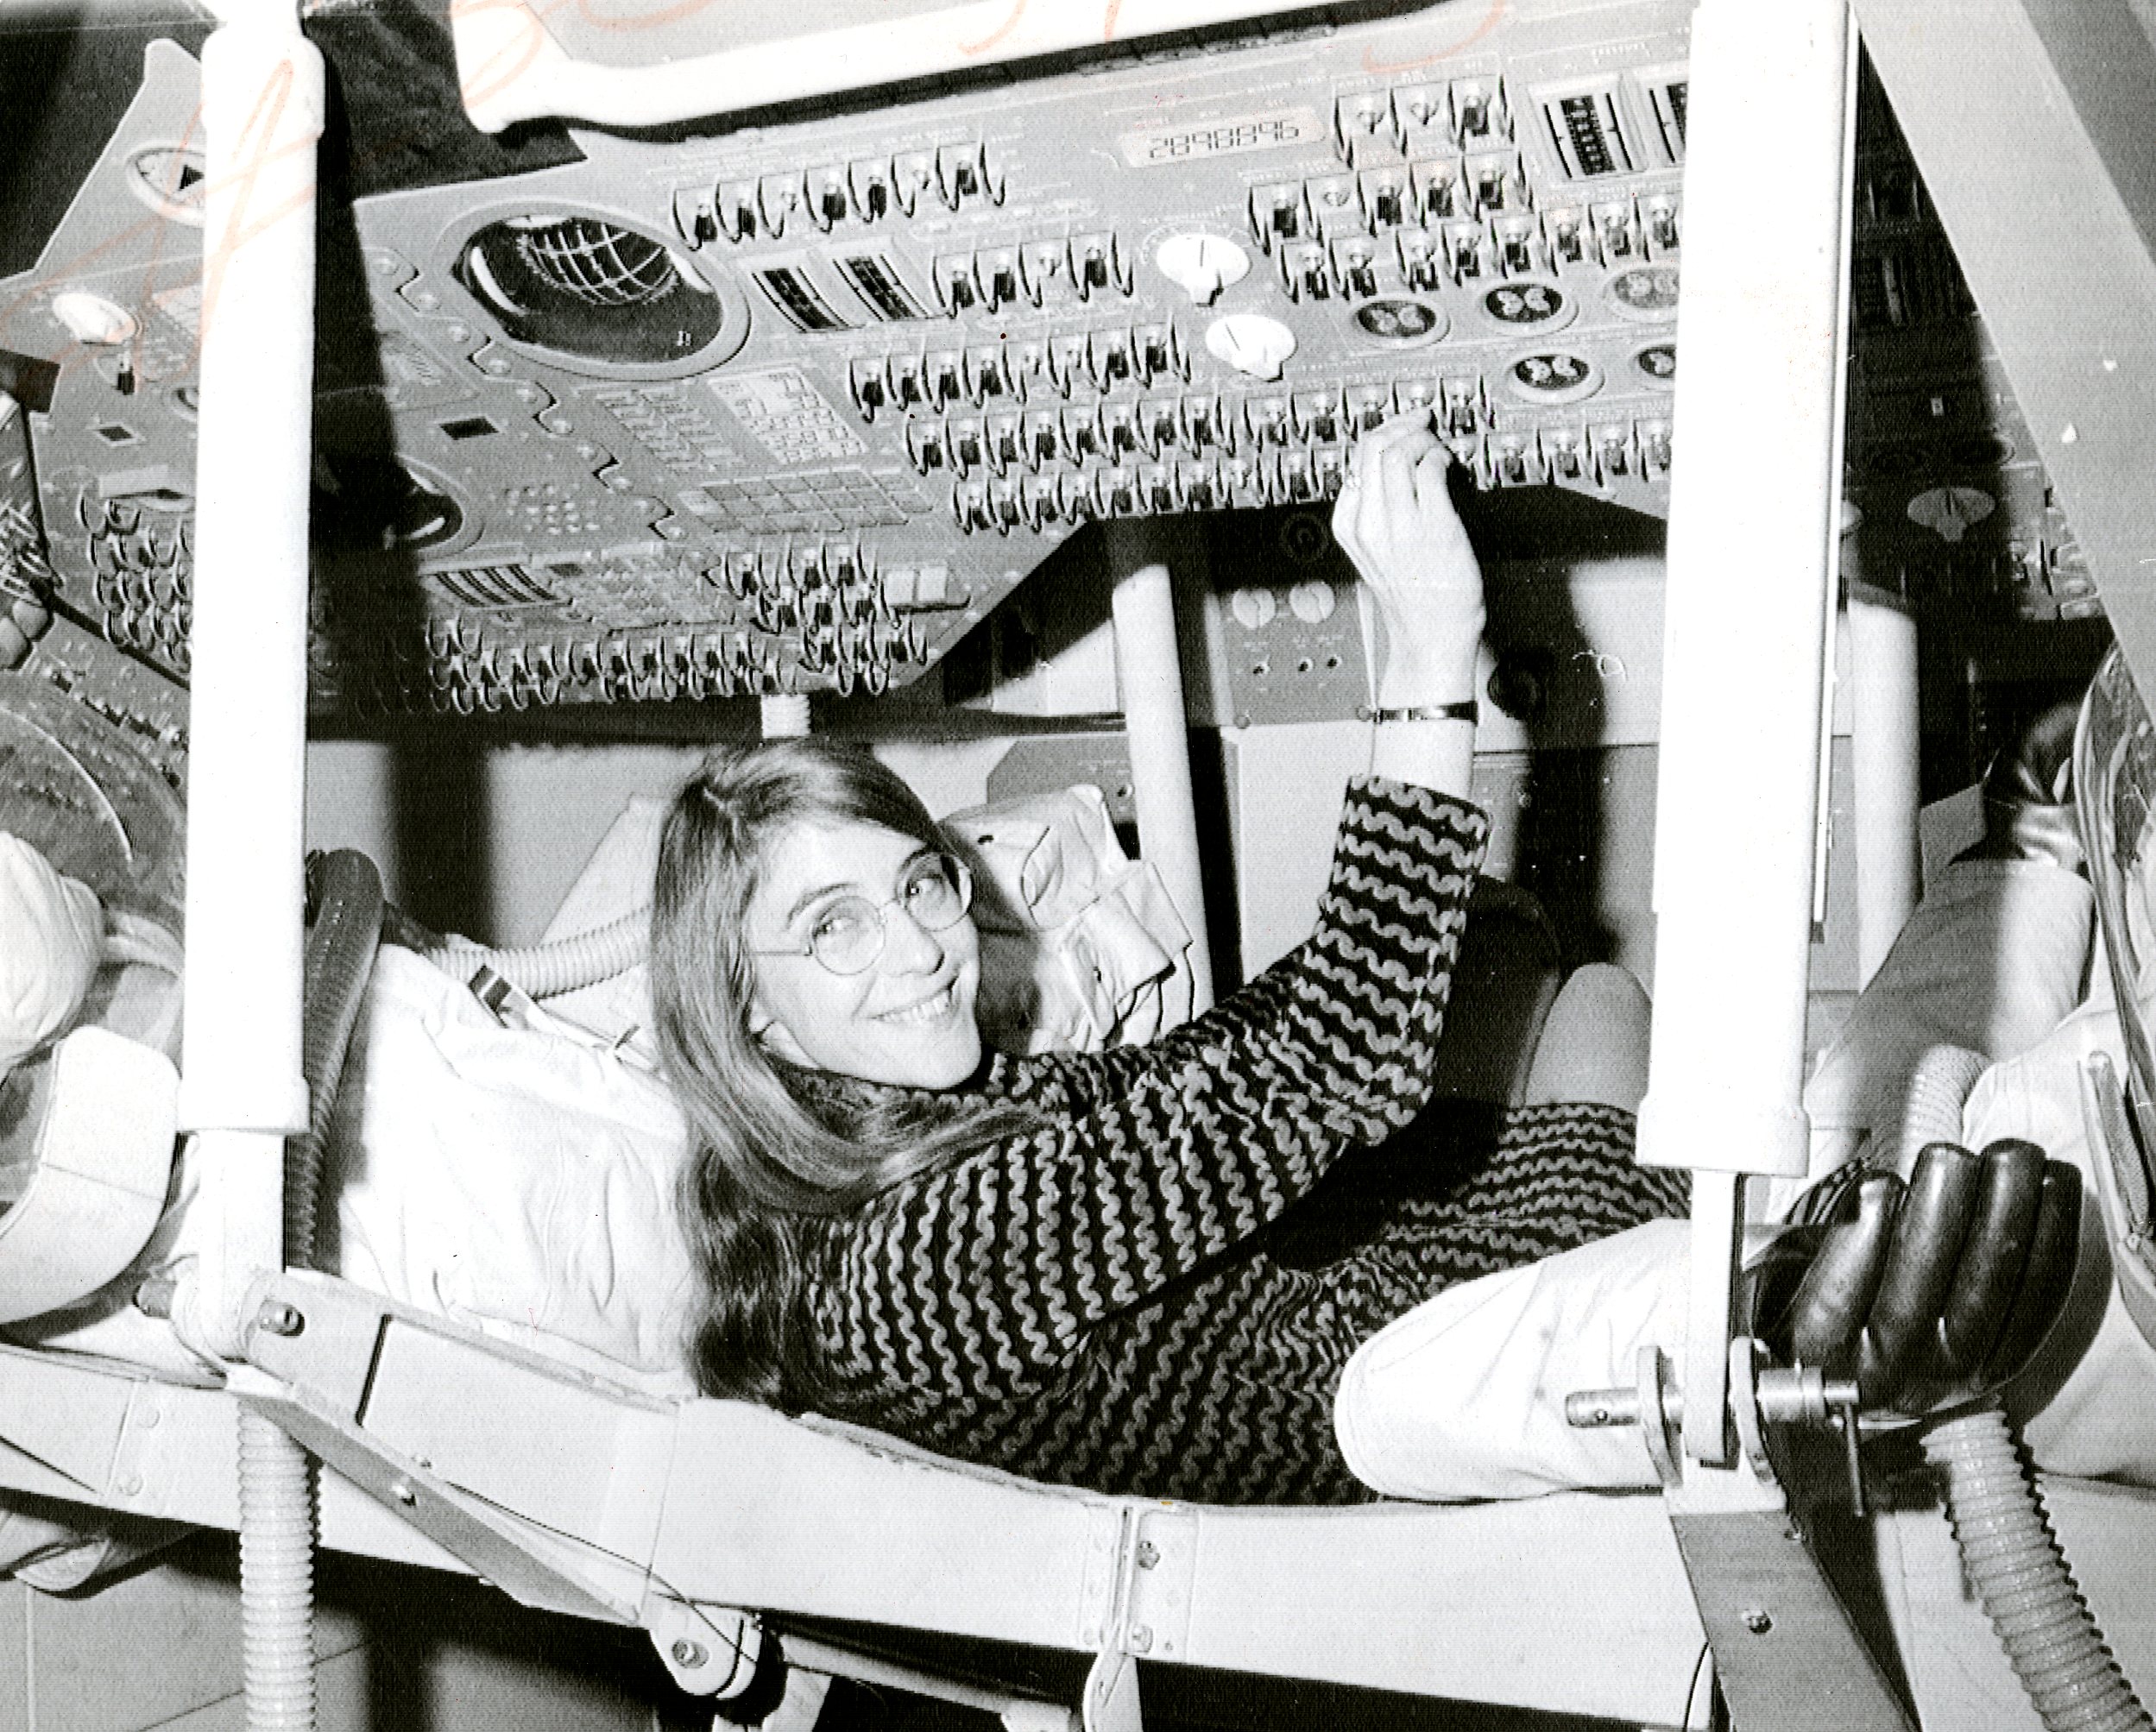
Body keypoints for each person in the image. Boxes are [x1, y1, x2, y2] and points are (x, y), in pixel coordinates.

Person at [649, 414, 2077, 1505]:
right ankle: (2026, 923)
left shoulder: (891, 1145)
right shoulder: (912, 1262)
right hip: (1414, 1363)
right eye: (831, 927)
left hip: (1385, 1280)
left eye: (915, 885)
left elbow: (1224, 1065)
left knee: (1584, 996)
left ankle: (2019, 860)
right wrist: (1423, 664)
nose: (918, 948)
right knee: (1897, 1147)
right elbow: (1325, 1064)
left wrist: (1408, 936)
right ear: (750, 1021)